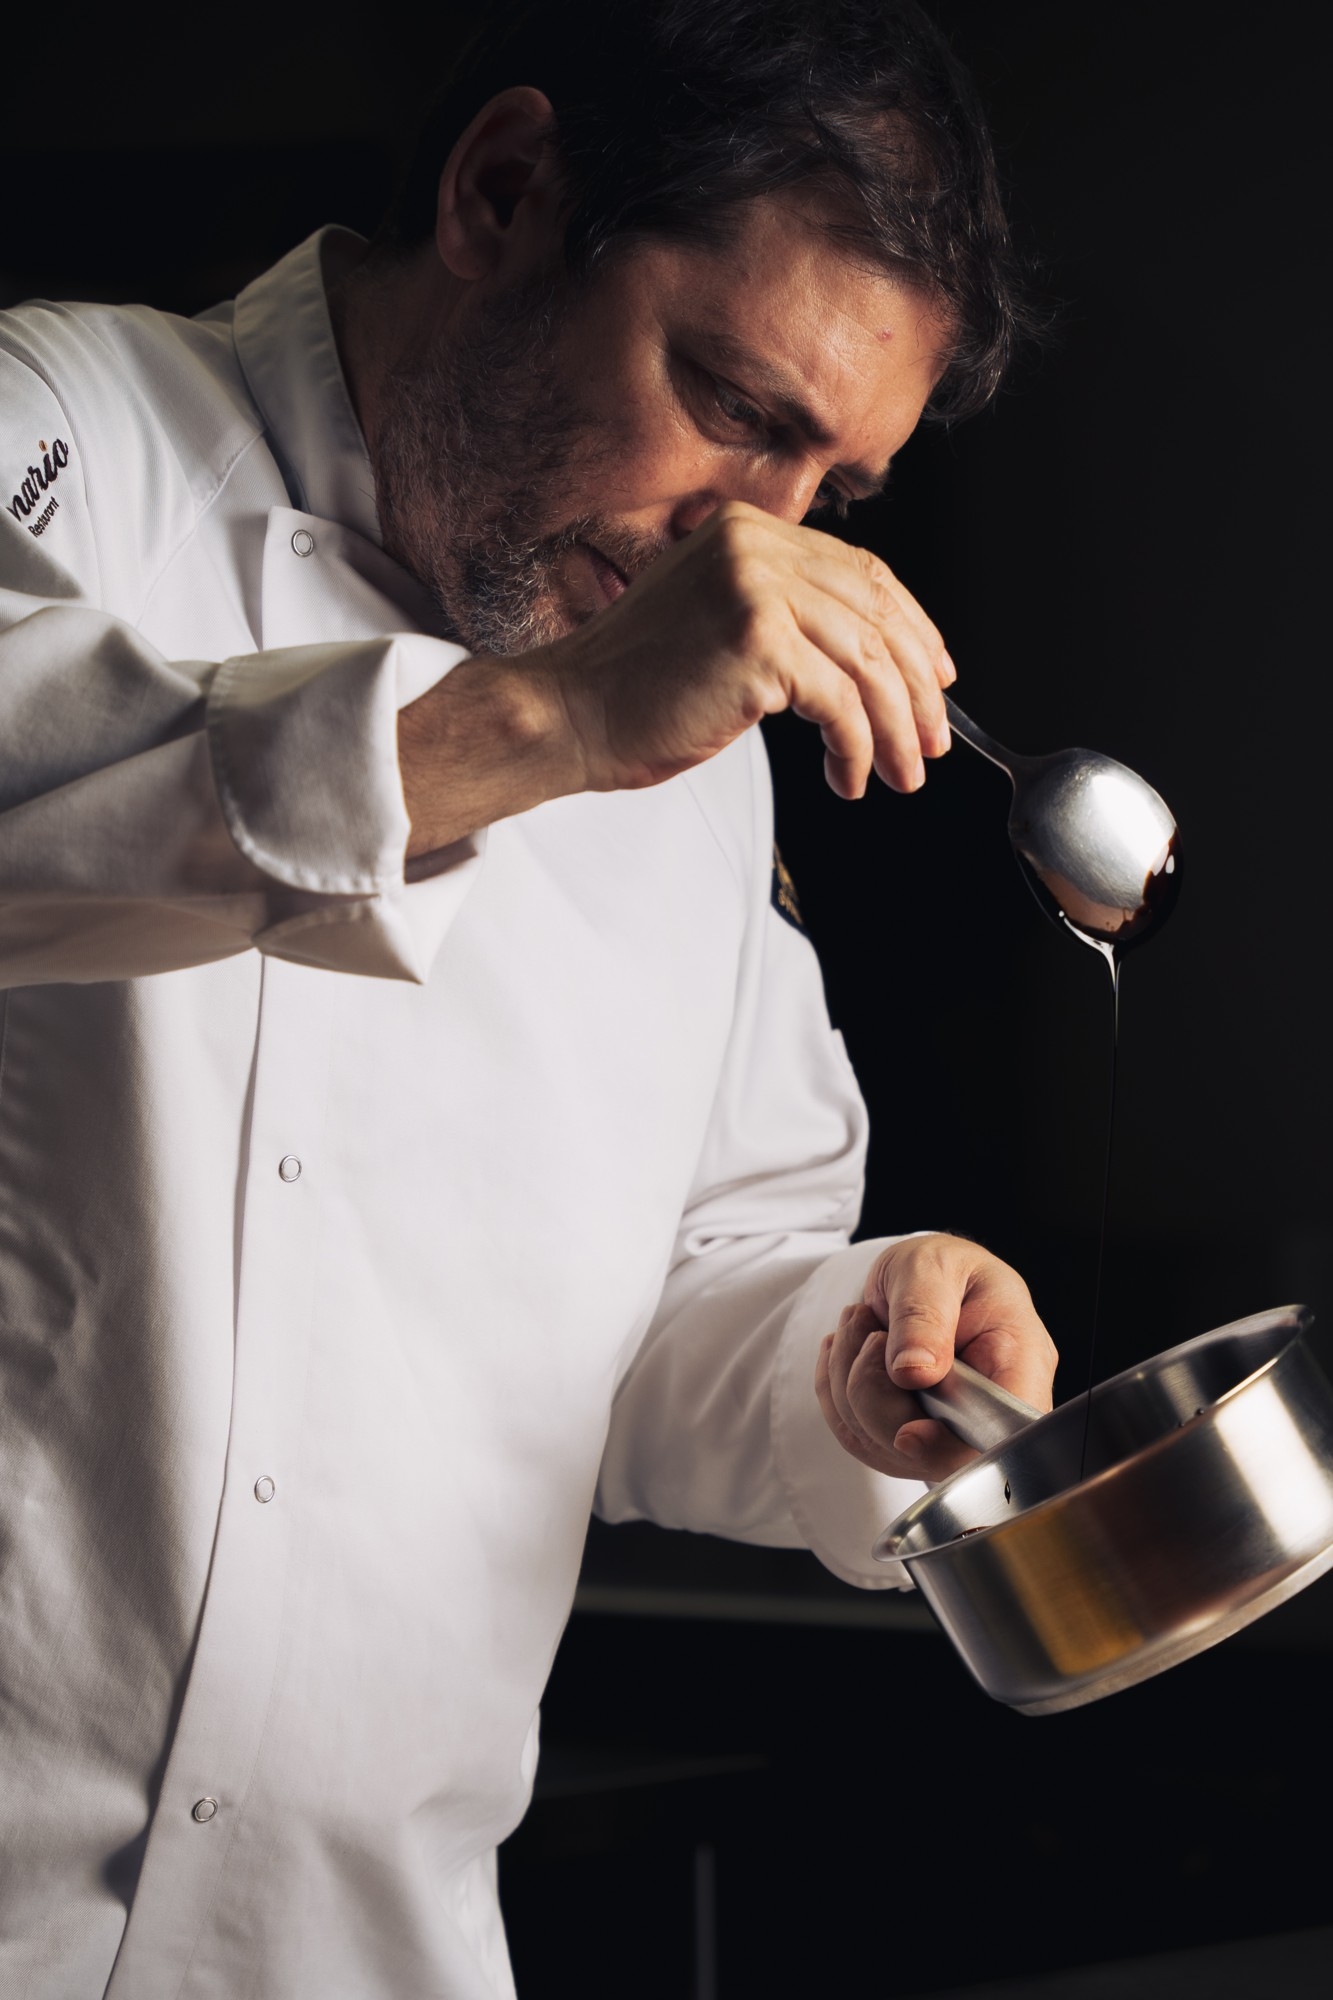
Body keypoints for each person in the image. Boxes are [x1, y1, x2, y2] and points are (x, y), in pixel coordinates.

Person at [0, 2, 1057, 1993]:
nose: (758, 538)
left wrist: (852, 1344)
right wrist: (547, 724)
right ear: (501, 194)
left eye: (832, 485)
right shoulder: (71, 429)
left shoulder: (697, 750)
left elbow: (681, 1296)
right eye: (729, 400)